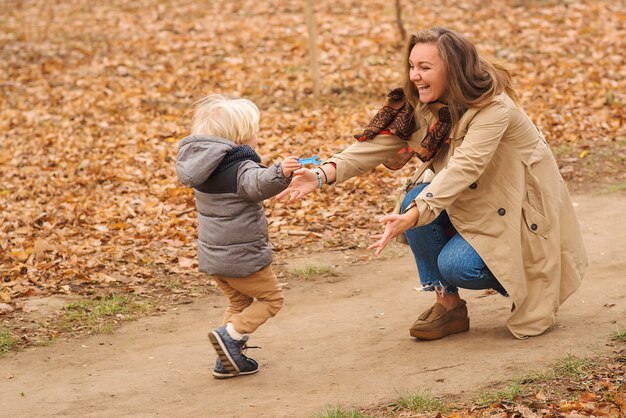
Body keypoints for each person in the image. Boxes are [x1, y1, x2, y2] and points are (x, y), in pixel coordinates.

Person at [277, 27, 587, 340]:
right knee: (414, 196)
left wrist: (414, 215)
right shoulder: (425, 105)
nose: (414, 75)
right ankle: (448, 306)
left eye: (425, 68)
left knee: (456, 265)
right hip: (476, 206)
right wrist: (320, 174)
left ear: (453, 70)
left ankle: (518, 274)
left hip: (519, 215)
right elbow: (374, 146)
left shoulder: (495, 108)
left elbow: (464, 168)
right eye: (412, 66)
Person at [176, 94, 300, 378]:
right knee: (271, 300)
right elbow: (258, 185)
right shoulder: (240, 167)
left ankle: (227, 360)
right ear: (240, 136)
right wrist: (280, 172)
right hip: (242, 258)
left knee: (239, 303)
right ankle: (231, 337)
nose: (258, 136)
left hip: (214, 257)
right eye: (255, 131)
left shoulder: (202, 169)